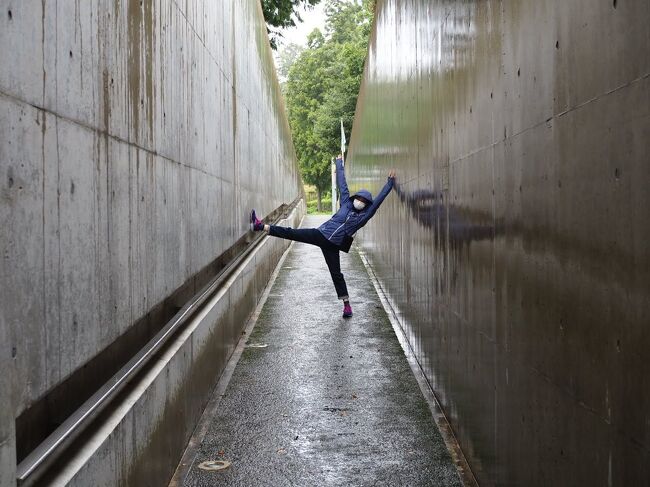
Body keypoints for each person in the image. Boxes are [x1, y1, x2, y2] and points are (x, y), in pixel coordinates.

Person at [250, 155, 396, 318]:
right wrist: (339, 162)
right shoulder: (347, 203)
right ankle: (260, 226)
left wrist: (389, 184)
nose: (360, 201)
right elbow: (343, 184)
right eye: (359, 198)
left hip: (333, 246)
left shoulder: (364, 216)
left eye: (364, 201)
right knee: (291, 233)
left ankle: (347, 305)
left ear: (366, 205)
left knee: (336, 274)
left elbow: (377, 202)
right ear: (355, 198)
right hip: (320, 234)